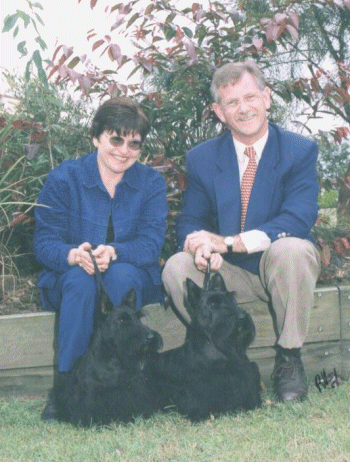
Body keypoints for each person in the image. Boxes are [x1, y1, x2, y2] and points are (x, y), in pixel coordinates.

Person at [162, 61, 321, 402]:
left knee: (293, 247)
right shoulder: (203, 158)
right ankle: (222, 358)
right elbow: (190, 219)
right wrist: (198, 246)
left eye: (250, 97)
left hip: (281, 268)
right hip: (228, 275)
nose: (244, 108)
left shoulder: (299, 151)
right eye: (232, 102)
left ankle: (289, 358)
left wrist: (229, 242)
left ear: (267, 98)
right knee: (177, 267)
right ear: (219, 112)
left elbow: (298, 217)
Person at [34, 96, 168, 420]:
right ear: (96, 137)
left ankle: (123, 382)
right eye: (116, 139)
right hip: (70, 278)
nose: (124, 151)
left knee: (121, 277)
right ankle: (66, 388)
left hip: (128, 275)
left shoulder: (151, 183)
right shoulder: (63, 179)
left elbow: (151, 244)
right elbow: (44, 241)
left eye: (134, 144)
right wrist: (71, 254)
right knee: (81, 281)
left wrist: (116, 250)